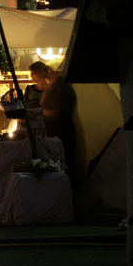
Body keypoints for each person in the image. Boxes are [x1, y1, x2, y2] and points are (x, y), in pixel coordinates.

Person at [28, 61, 78, 190]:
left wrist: (41, 114)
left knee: (62, 161)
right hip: (57, 128)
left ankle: (64, 191)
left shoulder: (60, 89)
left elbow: (54, 110)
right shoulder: (57, 87)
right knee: (62, 160)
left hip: (60, 129)